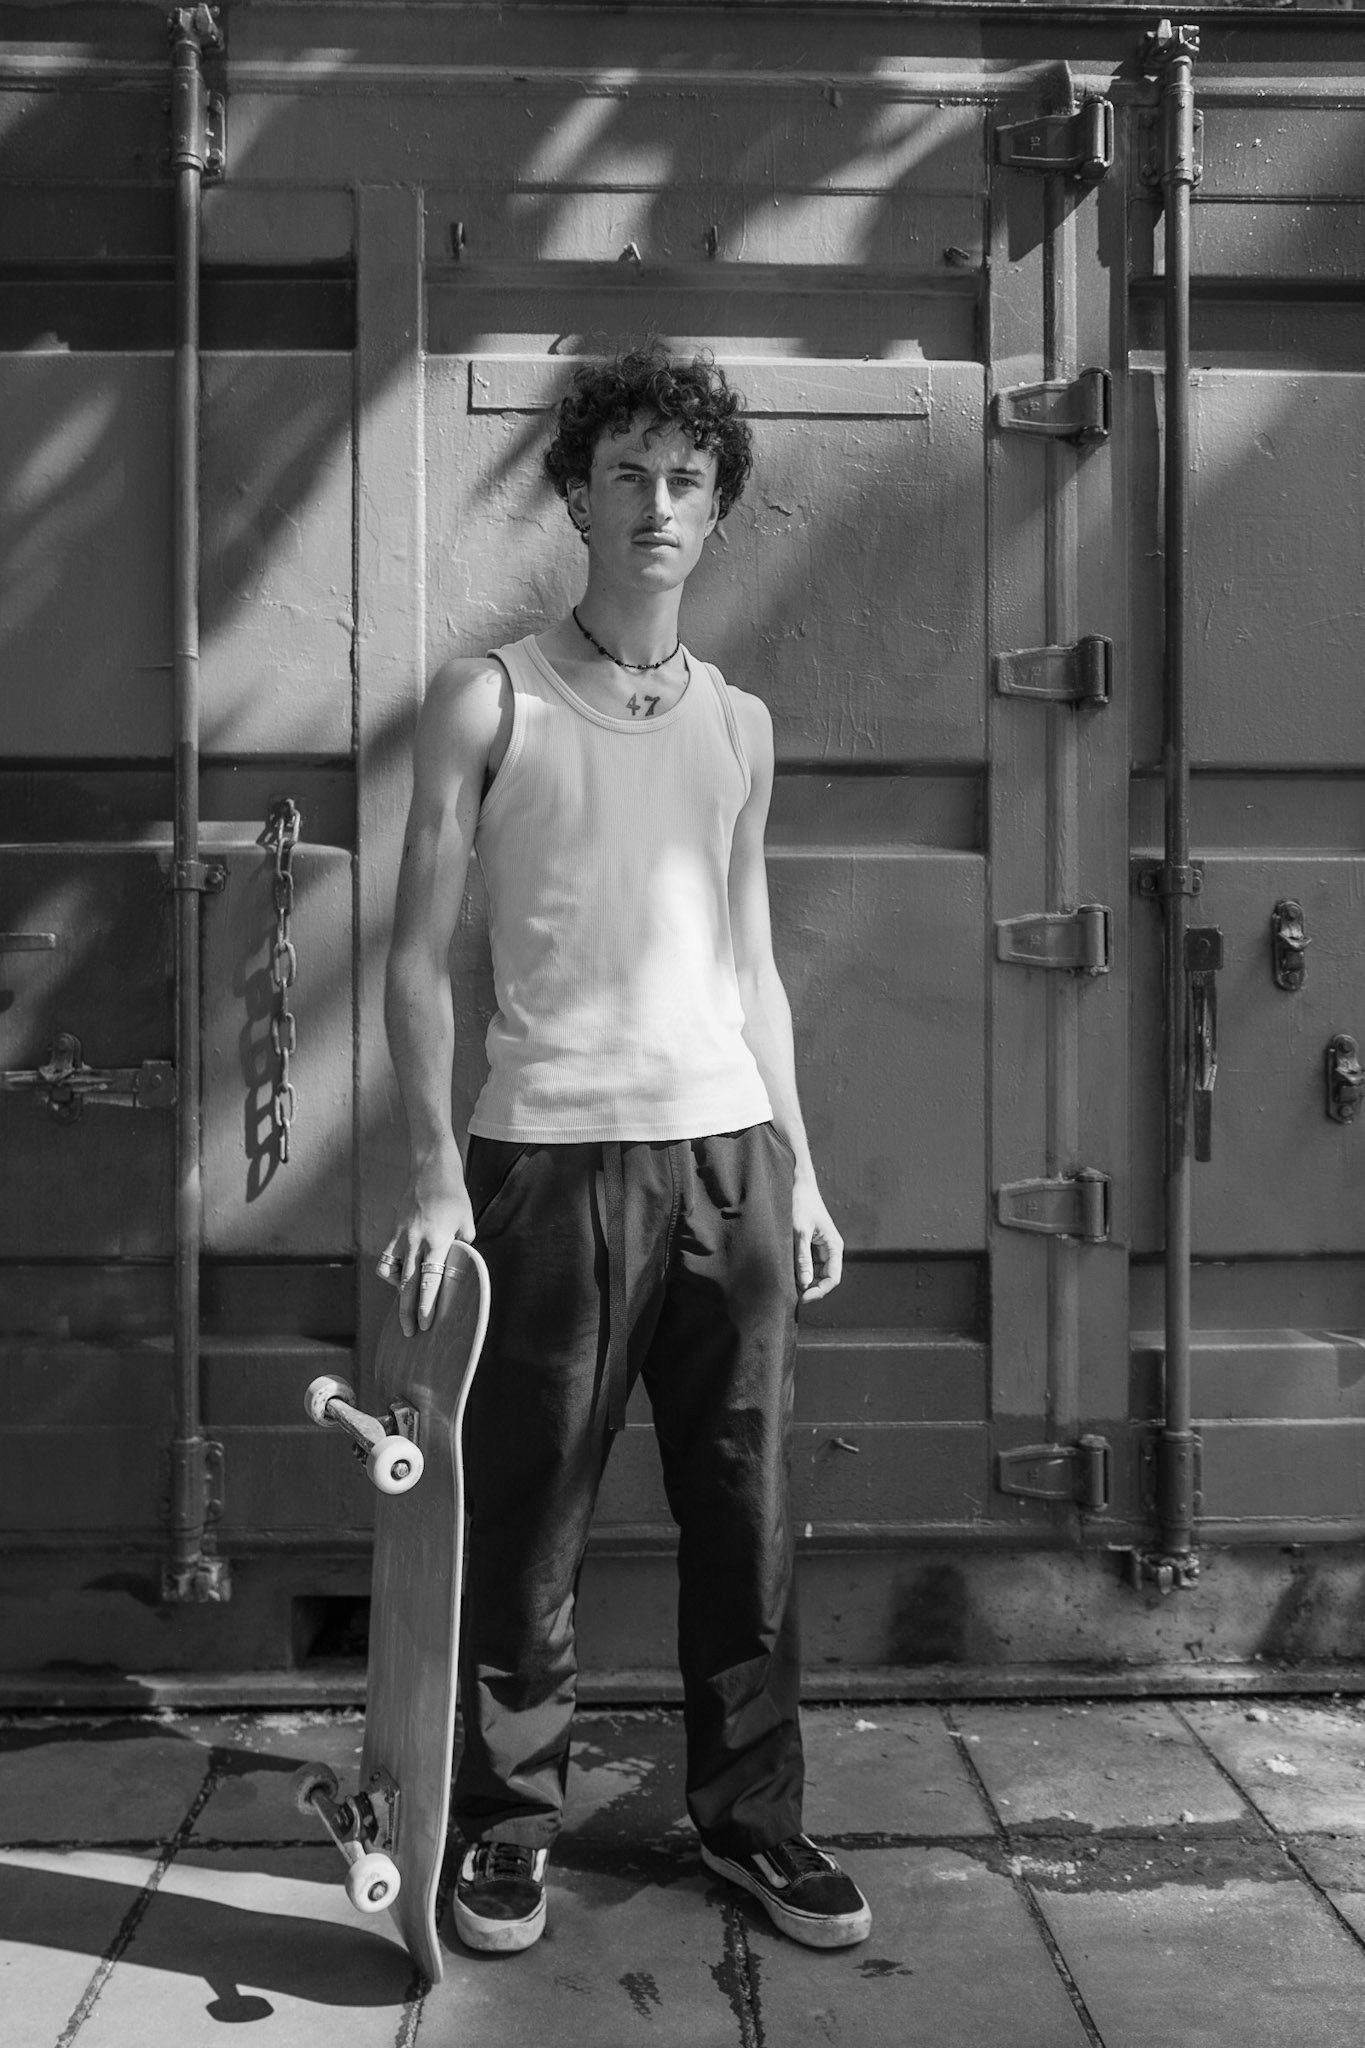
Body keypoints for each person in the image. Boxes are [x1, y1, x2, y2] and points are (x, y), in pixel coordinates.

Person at [379, 345, 871, 1956]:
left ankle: (754, 1827)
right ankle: (506, 1828)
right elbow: (410, 955)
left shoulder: (738, 724)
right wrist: (434, 1172)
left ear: (716, 510)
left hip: (724, 1159)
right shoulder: (490, 697)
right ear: (576, 496)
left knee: (748, 1513)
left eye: (687, 479)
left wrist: (797, 1167)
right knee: (528, 1519)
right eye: (627, 473)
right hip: (551, 1165)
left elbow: (752, 967)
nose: (657, 503)